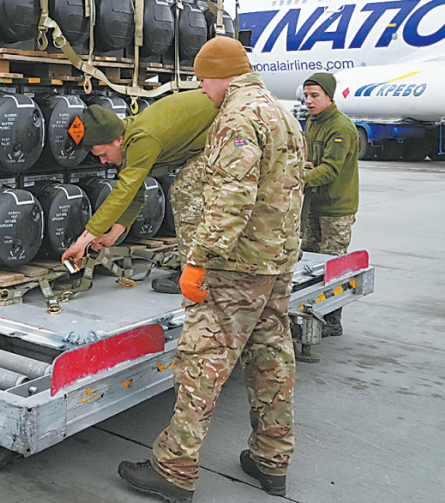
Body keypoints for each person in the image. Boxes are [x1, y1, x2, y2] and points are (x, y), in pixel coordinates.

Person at [117, 37, 306, 502]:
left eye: (203, 80)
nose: (202, 90)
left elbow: (229, 201)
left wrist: (198, 260)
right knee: (272, 358)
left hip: (236, 266)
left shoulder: (238, 117)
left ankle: (174, 469)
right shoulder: (283, 113)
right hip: (276, 260)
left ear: (220, 74)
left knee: (202, 363)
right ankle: (271, 459)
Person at [60, 91, 218, 293]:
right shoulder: (128, 138)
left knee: (185, 191)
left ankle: (196, 276)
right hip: (210, 136)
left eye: (103, 154)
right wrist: (113, 234)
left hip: (231, 126)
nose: (103, 161)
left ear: (117, 140)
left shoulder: (142, 139)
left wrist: (83, 241)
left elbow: (124, 191)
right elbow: (135, 191)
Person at [301, 72, 359, 338]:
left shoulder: (340, 127)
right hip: (314, 203)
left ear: (329, 96)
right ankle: (311, 313)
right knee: (310, 264)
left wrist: (296, 177)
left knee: (332, 267)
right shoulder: (313, 122)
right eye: (306, 95)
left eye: (315, 96)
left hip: (336, 208)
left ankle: (332, 320)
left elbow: (330, 170)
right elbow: (312, 160)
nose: (309, 101)